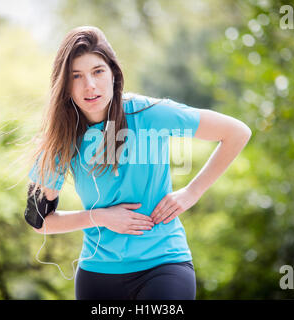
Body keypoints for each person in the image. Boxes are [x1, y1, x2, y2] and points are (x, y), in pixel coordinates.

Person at [25, 26, 252, 300]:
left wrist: (192, 192)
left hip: (164, 264)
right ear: (65, 85)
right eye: (77, 76)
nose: (90, 86)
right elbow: (39, 220)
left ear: (113, 74)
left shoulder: (149, 114)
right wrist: (102, 218)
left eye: (98, 71)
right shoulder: (61, 137)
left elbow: (237, 132)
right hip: (97, 274)